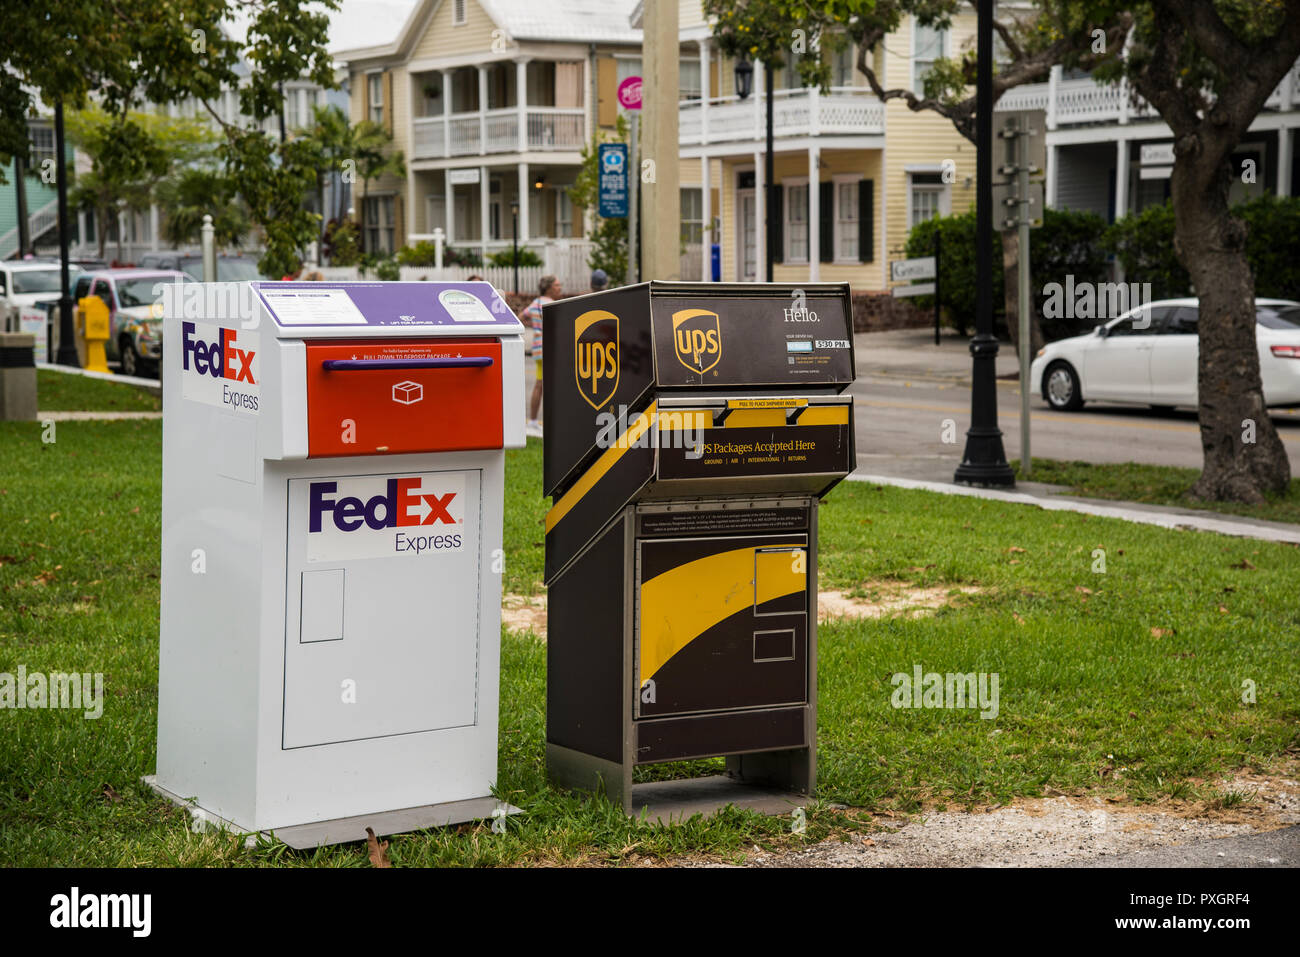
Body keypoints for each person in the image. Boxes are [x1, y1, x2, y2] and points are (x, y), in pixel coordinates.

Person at [520, 274, 560, 432]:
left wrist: (535, 325)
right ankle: (550, 421)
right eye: (557, 285)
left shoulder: (535, 303)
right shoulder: (553, 305)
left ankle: (533, 419)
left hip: (538, 347)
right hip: (551, 347)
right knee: (551, 386)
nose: (559, 288)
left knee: (539, 384)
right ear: (549, 287)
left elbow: (520, 317)